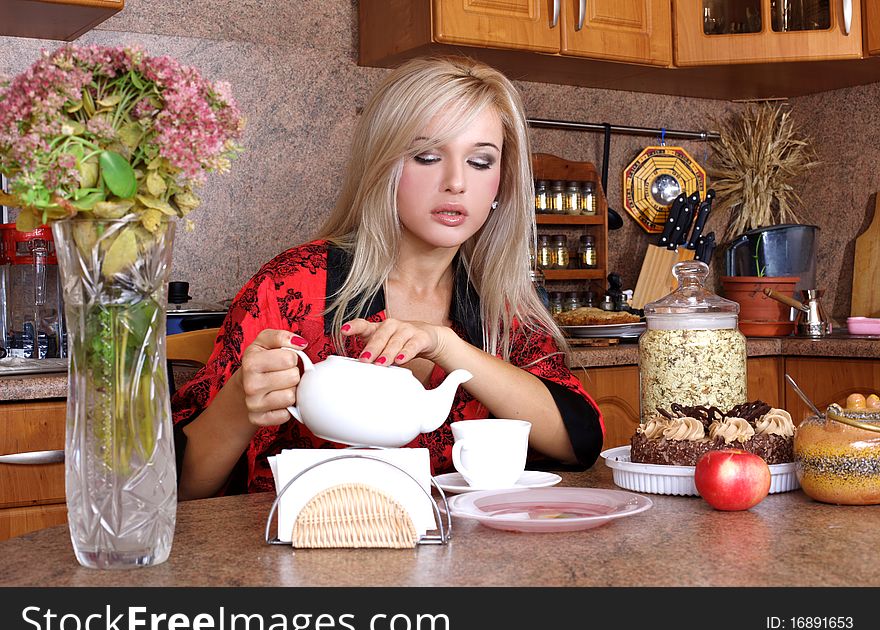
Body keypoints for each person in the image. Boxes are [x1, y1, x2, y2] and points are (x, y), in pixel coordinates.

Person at [172, 56, 605, 500]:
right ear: (382, 163)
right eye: (427, 156)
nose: (456, 182)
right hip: (311, 555)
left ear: (502, 183)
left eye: (479, 162)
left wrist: (446, 346)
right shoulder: (292, 286)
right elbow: (181, 493)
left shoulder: (503, 302)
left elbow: (578, 443)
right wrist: (242, 402)